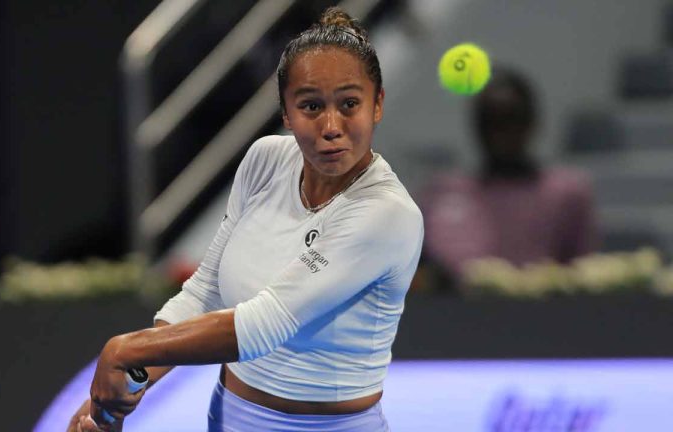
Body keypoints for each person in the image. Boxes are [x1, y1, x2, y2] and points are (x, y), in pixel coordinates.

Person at [68, 7, 423, 432]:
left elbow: (265, 325)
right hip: (230, 417)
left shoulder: (387, 213)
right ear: (286, 113)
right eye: (310, 106)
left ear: (377, 104)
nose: (331, 126)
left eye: (350, 104)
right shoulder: (264, 160)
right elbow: (207, 291)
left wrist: (129, 351)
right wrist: (126, 387)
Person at [419, 68, 597, 291]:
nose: (500, 131)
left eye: (511, 118)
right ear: (476, 126)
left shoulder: (568, 193)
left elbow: (584, 277)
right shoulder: (442, 193)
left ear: (532, 122)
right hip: (462, 318)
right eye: (490, 120)